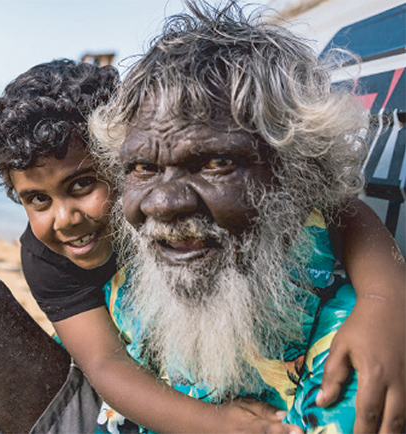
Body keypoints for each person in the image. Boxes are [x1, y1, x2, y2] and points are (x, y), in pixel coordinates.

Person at [0, 36, 403, 434]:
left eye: (84, 184)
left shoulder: (150, 211)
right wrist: (212, 424)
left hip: (132, 404)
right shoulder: (54, 252)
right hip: (110, 401)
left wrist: (385, 299)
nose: (65, 218)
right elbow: (106, 366)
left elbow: (335, 209)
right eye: (37, 201)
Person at [87, 1, 405, 433]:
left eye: (215, 162)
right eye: (143, 168)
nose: (161, 205)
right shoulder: (124, 272)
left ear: (300, 174)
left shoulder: (349, 351)